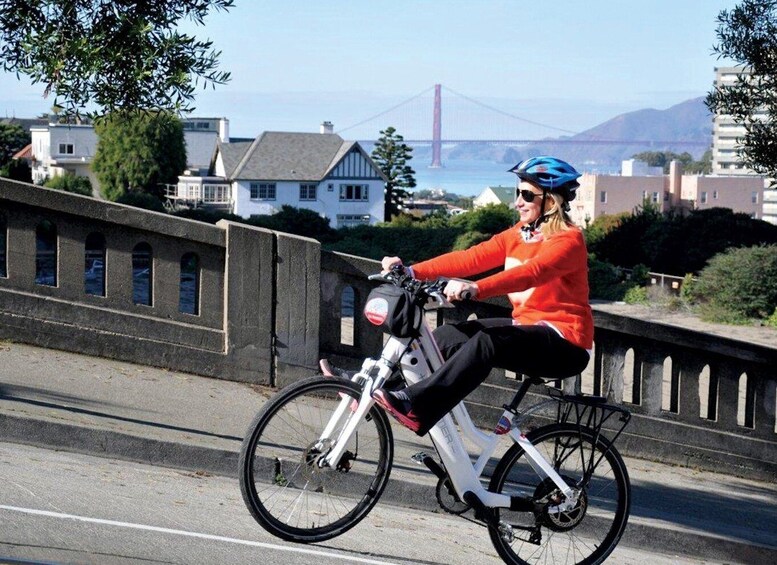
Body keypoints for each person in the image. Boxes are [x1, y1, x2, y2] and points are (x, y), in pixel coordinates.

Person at [371, 156, 594, 436]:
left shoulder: (569, 240)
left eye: (527, 195)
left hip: (566, 344)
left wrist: (477, 288)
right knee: (446, 337)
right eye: (518, 193)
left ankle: (418, 405)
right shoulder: (519, 235)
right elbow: (470, 259)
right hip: (527, 327)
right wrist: (412, 271)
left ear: (551, 202)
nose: (518, 202)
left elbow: (533, 273)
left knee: (487, 343)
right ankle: (374, 391)